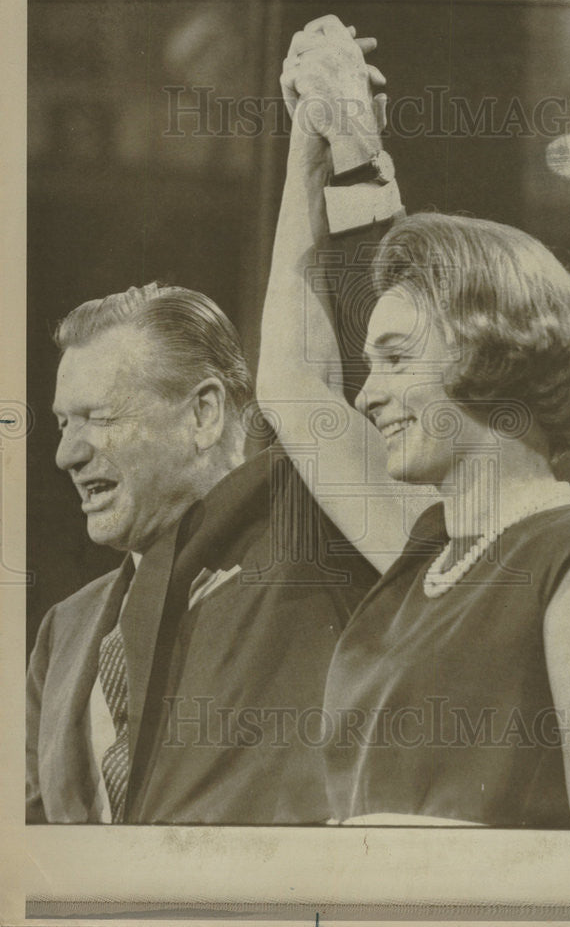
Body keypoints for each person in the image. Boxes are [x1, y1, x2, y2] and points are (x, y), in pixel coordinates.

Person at [258, 16, 570, 828]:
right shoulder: (429, 553)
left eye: (396, 360)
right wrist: (313, 133)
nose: (366, 396)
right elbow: (291, 379)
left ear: (489, 358)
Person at [26, 283, 379, 824]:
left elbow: (309, 375)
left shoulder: (319, 540)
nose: (65, 454)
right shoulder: (62, 632)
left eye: (99, 417)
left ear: (204, 414)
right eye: (62, 422)